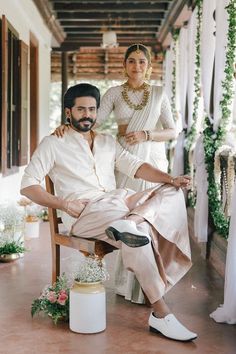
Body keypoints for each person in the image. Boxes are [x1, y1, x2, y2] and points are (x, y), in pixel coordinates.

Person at [21, 83, 197, 342]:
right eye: (81, 109)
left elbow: (136, 167)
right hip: (86, 214)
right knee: (136, 240)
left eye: (92, 109)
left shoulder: (106, 141)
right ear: (68, 112)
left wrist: (171, 178)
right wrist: (64, 204)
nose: (87, 115)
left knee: (170, 191)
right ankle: (161, 314)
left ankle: (132, 222)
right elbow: (28, 185)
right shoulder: (53, 143)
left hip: (119, 202)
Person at [54, 43, 176, 304]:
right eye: (131, 61)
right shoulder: (113, 93)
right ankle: (126, 285)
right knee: (123, 218)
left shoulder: (159, 93)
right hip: (125, 157)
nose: (137, 66)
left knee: (149, 214)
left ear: (149, 65)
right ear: (124, 64)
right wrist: (65, 127)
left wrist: (147, 134)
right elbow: (90, 120)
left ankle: (151, 287)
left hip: (151, 156)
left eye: (142, 61)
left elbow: (172, 131)